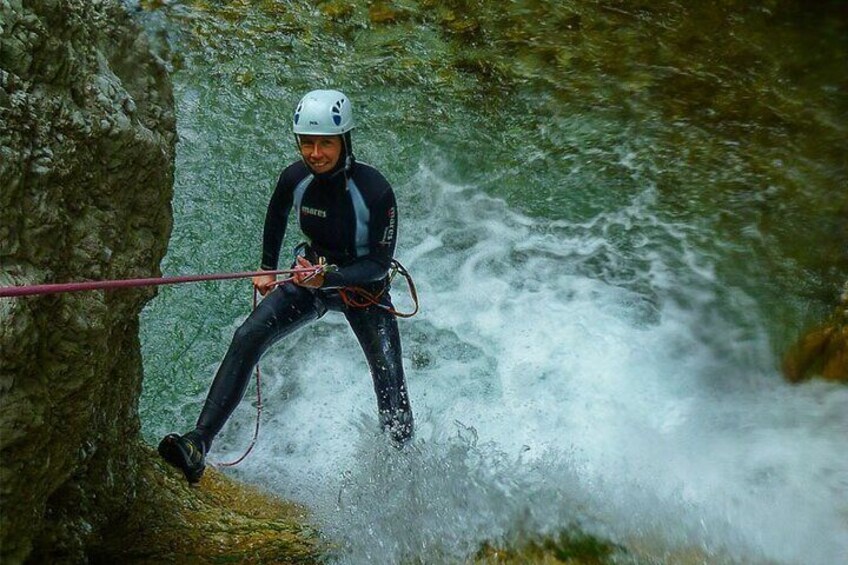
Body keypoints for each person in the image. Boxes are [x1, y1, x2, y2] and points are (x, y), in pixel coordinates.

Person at [158, 89, 414, 484]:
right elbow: (276, 214)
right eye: (306, 143)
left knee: (390, 379)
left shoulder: (375, 192)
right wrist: (266, 266)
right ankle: (198, 444)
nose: (315, 153)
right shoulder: (295, 180)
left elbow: (378, 265)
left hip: (363, 291)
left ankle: (402, 472)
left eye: (325, 143)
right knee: (247, 336)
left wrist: (329, 277)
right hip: (309, 277)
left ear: (344, 140)